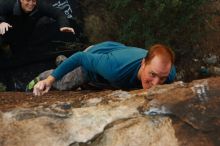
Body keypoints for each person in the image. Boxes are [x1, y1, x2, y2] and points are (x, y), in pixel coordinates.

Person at [31, 41, 176, 96]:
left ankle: (63, 61)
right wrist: (49, 81)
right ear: (143, 63)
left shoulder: (167, 73)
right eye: (152, 74)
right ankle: (39, 78)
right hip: (94, 55)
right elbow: (81, 57)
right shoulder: (114, 68)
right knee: (64, 84)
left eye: (162, 78)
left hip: (115, 52)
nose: (156, 84)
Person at [0, 0, 75, 57]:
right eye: (28, 0)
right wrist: (1, 22)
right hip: (5, 29)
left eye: (34, 0)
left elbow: (58, 13)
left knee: (19, 53)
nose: (31, 4)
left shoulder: (40, 5)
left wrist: (64, 25)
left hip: (23, 34)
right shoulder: (9, 3)